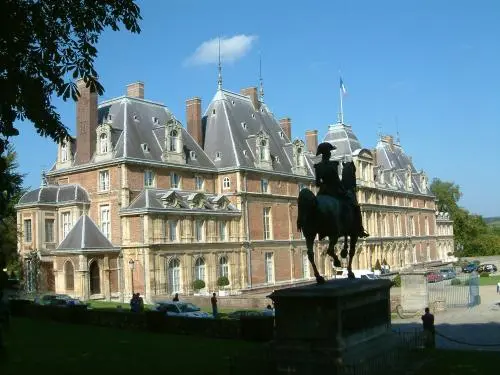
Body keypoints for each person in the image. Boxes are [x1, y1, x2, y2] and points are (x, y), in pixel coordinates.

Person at [341, 161, 369, 238]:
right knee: (357, 208)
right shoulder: (351, 173)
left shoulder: (343, 171)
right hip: (348, 193)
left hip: (339, 193)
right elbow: (353, 185)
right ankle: (360, 229)